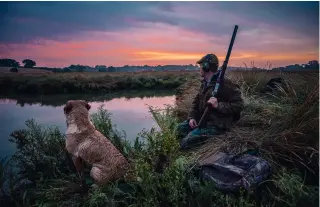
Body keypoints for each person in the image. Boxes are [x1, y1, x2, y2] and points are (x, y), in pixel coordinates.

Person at [177, 53, 244, 149]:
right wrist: (192, 118)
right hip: (202, 121)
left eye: (201, 65)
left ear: (206, 67)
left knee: (186, 142)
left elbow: (239, 104)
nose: (199, 68)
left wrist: (218, 105)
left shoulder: (225, 84)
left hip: (216, 126)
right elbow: (195, 103)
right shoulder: (205, 83)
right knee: (178, 130)